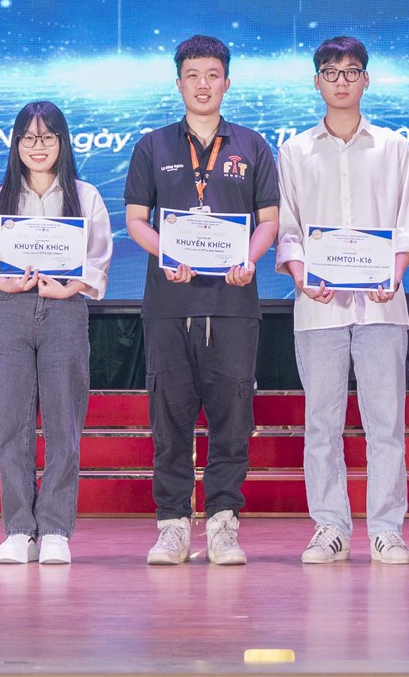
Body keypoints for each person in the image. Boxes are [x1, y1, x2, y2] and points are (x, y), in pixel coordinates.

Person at [124, 34, 280, 567]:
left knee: (232, 420)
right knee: (169, 421)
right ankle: (172, 526)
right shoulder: (152, 146)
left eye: (213, 75)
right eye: (193, 76)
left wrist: (250, 259)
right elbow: (136, 220)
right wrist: (167, 251)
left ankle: (222, 524)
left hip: (234, 305)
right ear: (179, 84)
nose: (203, 84)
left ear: (227, 82)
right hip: (168, 304)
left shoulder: (252, 146)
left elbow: (269, 222)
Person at [275, 36, 409, 566]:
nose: (342, 81)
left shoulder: (393, 147)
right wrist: (301, 276)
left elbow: (407, 223)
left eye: (352, 71)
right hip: (318, 307)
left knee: (386, 424)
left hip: (383, 305)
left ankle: (386, 529)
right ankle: (330, 527)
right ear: (317, 81)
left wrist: (395, 274)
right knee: (322, 424)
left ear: (367, 79)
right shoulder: (294, 151)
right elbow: (288, 228)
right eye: (331, 72)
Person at [0, 101, 113, 565]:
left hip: (65, 310)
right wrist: (0, 281)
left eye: (47, 137)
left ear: (63, 142)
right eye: (28, 138)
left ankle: (54, 529)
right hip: (11, 311)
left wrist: (72, 286)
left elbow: (99, 256)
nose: (38, 146)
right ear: (16, 145)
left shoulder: (86, 195)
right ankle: (18, 529)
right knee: (12, 425)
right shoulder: (0, 197)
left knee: (64, 423)